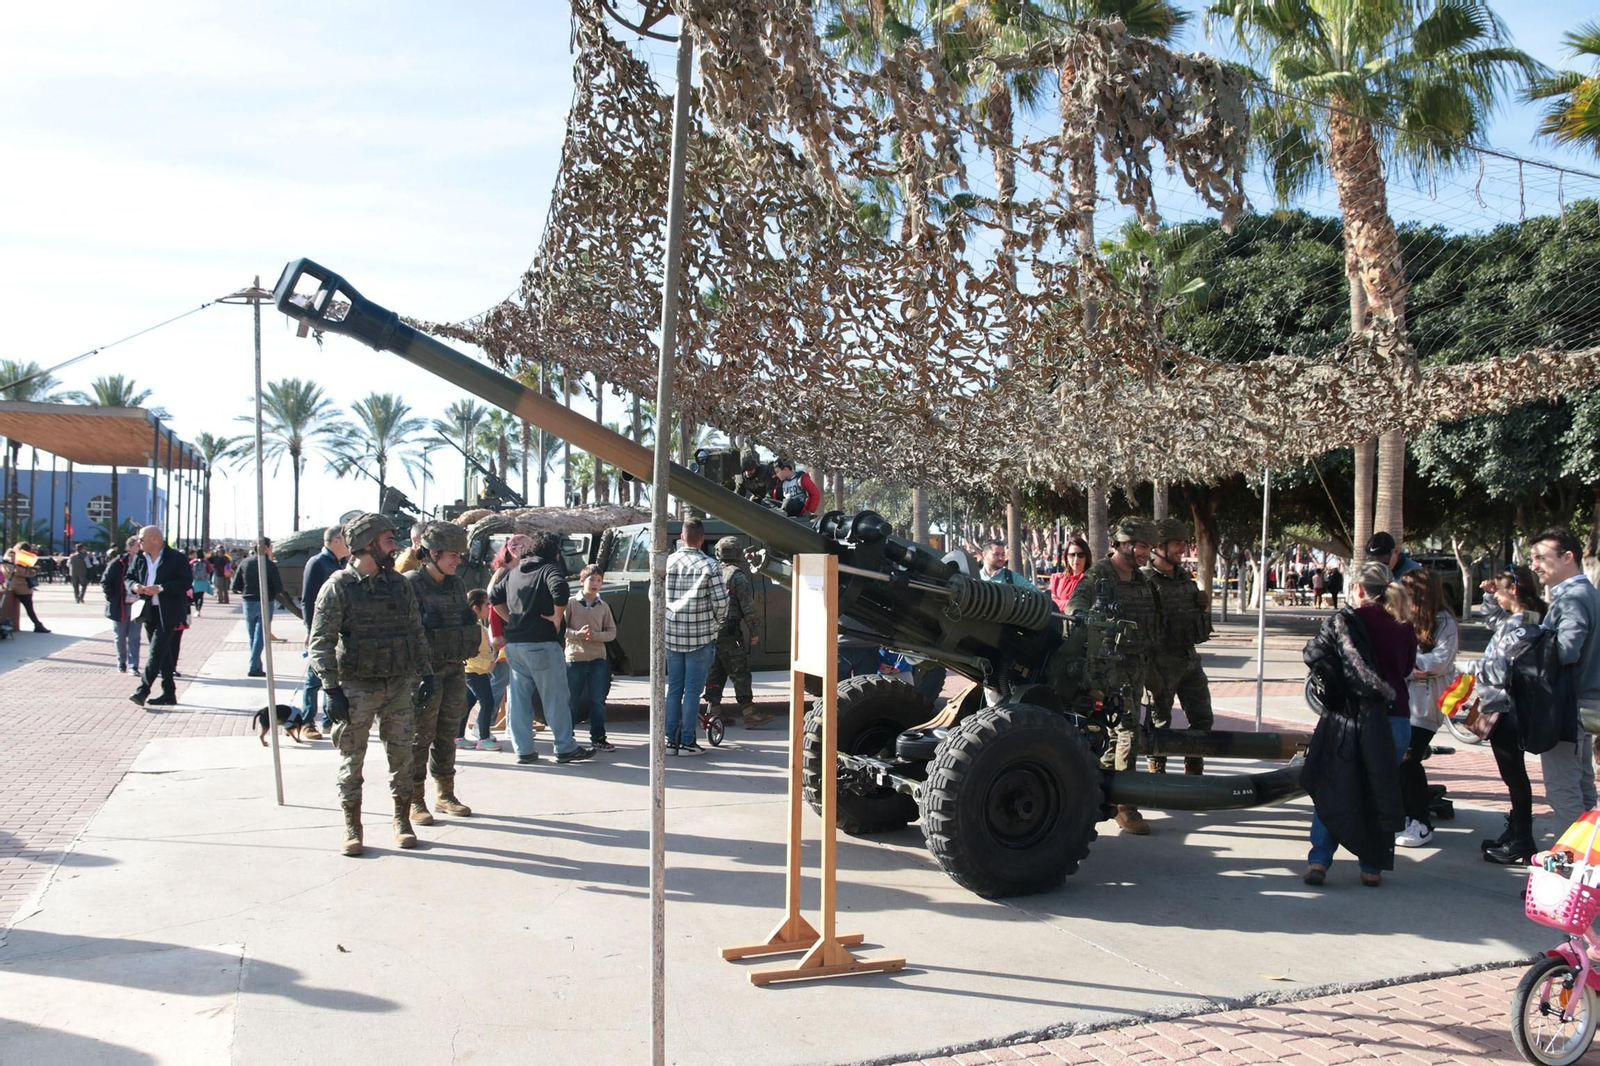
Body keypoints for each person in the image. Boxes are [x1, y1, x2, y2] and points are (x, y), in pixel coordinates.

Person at [308, 512, 434, 856]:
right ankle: (353, 826)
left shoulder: (399, 584)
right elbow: (320, 641)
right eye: (388, 540)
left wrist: (426, 674)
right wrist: (331, 689)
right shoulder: (338, 587)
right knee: (352, 761)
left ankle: (401, 820)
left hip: (398, 684)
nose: (396, 546)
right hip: (356, 687)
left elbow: (415, 632)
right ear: (366, 545)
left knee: (403, 757)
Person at [1300, 562, 1416, 888]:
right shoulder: (1403, 624)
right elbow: (1407, 667)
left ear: (1360, 588)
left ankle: (1319, 861)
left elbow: (1315, 656)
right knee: (1379, 791)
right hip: (1394, 718)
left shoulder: (1344, 622)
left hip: (1349, 718)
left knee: (1331, 787)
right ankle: (1371, 867)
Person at [1067, 517, 1159, 834]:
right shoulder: (1100, 575)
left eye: (1149, 547)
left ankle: (1102, 796)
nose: (1147, 553)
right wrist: (1088, 618)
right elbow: (1074, 605)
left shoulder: (1142, 580)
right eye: (1142, 546)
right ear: (1122, 543)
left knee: (1118, 736)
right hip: (1108, 667)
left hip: (1137, 665)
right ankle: (1126, 805)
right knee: (1127, 731)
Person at [491, 531, 592, 765]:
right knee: (555, 698)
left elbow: (494, 597)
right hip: (542, 644)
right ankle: (565, 747)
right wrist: (557, 618)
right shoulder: (549, 569)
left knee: (519, 699)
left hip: (515, 645)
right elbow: (561, 590)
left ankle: (524, 750)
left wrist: (511, 620)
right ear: (554, 552)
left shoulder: (513, 572)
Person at [405, 522, 478, 825]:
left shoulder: (456, 585)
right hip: (424, 675)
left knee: (447, 733)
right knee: (421, 736)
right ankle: (414, 799)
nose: (457, 560)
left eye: (459, 555)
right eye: (452, 554)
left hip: (453, 669)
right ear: (432, 553)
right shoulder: (410, 583)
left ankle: (445, 794)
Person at [1472, 566, 1546, 865]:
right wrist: (1490, 594)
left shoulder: (1523, 625)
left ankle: (1523, 840)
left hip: (1508, 706)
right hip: (1502, 703)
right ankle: (1517, 830)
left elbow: (1502, 667)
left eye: (1500, 592)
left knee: (1515, 775)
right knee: (1512, 775)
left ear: (1514, 591)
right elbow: (1491, 617)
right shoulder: (1519, 619)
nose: (1497, 598)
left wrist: (1467, 669)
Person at [1529, 527, 1600, 832]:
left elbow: (1566, 650)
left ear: (1568, 557)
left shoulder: (1573, 598)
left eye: (1541, 558)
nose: (1535, 565)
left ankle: (1570, 867)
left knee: (1563, 789)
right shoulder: (1588, 594)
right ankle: (1587, 863)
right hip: (1586, 705)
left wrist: (1529, 648)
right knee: (1581, 784)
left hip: (1568, 708)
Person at [1142, 518, 1215, 775]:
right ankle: (1156, 774)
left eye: (1184, 543)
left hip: (1188, 658)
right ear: (1159, 546)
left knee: (1203, 718)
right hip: (1160, 663)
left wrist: (1202, 607)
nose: (1182, 549)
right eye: (1177, 543)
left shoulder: (1183, 577)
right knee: (1160, 723)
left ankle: (1194, 767)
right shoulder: (1145, 581)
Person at [1395, 568, 1459, 849]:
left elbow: (1439, 662)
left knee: (1409, 758)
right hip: (1402, 701)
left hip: (1426, 705)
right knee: (1400, 760)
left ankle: (1421, 823)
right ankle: (1407, 815)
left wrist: (1410, 665)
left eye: (1408, 590)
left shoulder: (1443, 621)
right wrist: (1411, 667)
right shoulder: (1403, 618)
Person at [665, 518, 728, 755]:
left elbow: (654, 596)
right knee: (692, 690)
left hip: (672, 637)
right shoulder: (710, 565)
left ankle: (671, 740)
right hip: (700, 638)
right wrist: (714, 623)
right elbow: (721, 603)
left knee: (674, 689)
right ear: (702, 539)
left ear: (682, 538)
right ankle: (688, 741)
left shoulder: (668, 562)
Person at [702, 537, 774, 729]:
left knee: (715, 670)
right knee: (739, 671)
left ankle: (713, 713)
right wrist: (754, 630)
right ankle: (749, 713)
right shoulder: (737, 576)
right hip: (730, 630)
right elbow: (747, 606)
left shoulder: (712, 571)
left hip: (711, 629)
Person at [126, 525, 193, 708]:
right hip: (148, 611)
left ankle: (143, 691)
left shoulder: (176, 558)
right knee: (163, 654)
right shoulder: (140, 558)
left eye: (141, 539)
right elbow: (129, 577)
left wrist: (161, 588)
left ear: (154, 538)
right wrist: (135, 586)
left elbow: (185, 581)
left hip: (169, 611)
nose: (139, 542)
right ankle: (169, 693)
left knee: (156, 651)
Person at [297, 525, 349, 737]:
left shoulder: (342, 564)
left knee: (334, 676)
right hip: (322, 630)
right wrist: (311, 630)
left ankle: (329, 721)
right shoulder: (317, 563)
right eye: (346, 539)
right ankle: (308, 722)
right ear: (336, 540)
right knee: (314, 677)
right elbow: (308, 599)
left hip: (339, 631)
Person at [565, 564, 618, 751]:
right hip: (575, 658)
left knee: (598, 700)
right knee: (571, 700)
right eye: (591, 579)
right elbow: (562, 630)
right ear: (582, 581)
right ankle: (567, 737)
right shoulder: (571, 603)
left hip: (597, 659)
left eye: (599, 580)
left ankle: (598, 737)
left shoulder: (603, 607)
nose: (595, 584)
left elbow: (611, 632)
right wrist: (578, 634)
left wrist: (596, 636)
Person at [232, 539, 285, 678]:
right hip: (265, 601)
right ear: (266, 548)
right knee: (261, 635)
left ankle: (256, 665)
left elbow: (235, 585)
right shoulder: (269, 565)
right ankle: (254, 665)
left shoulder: (244, 563)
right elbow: (278, 587)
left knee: (253, 636)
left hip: (248, 602)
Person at [459, 589, 502, 751]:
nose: (489, 607)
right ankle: (483, 738)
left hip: (478, 670)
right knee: (487, 701)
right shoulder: (471, 628)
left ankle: (458, 736)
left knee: (468, 702)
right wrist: (487, 664)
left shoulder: (477, 626)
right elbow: (468, 654)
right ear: (475, 607)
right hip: (475, 671)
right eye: (486, 604)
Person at [101, 535, 142, 674]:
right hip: (120, 605)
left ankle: (133, 665)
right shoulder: (118, 562)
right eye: (137, 545)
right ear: (130, 547)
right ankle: (121, 662)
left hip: (137, 605)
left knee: (135, 636)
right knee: (120, 635)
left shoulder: (143, 562)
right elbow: (105, 581)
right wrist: (112, 597)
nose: (140, 547)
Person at [3, 544, 49, 633]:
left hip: (21, 585)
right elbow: (15, 570)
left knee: (29, 607)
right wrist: (31, 571)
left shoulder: (15, 555)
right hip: (19, 585)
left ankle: (38, 625)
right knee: (29, 607)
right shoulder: (12, 555)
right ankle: (38, 625)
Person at [1048, 537, 1091, 611]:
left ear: (1086, 557)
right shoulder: (1056, 578)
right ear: (1066, 557)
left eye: (1081, 555)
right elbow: (1049, 603)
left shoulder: (1090, 580)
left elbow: (1079, 606)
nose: (1076, 559)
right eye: (1072, 555)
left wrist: (1057, 602)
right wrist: (1069, 603)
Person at [189, 549, 212, 614]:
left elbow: (188, 569)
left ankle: (196, 609)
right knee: (201, 596)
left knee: (195, 595)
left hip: (195, 581)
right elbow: (210, 570)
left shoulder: (193, 561)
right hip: (203, 581)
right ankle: (199, 609)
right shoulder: (205, 562)